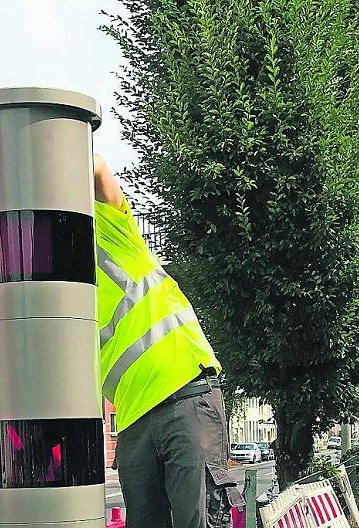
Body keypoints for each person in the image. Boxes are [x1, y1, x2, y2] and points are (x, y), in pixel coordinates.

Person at [93, 154, 244, 528]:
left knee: (201, 520)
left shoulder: (110, 237)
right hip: (133, 421)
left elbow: (94, 165)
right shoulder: (52, 300)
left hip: (186, 395)